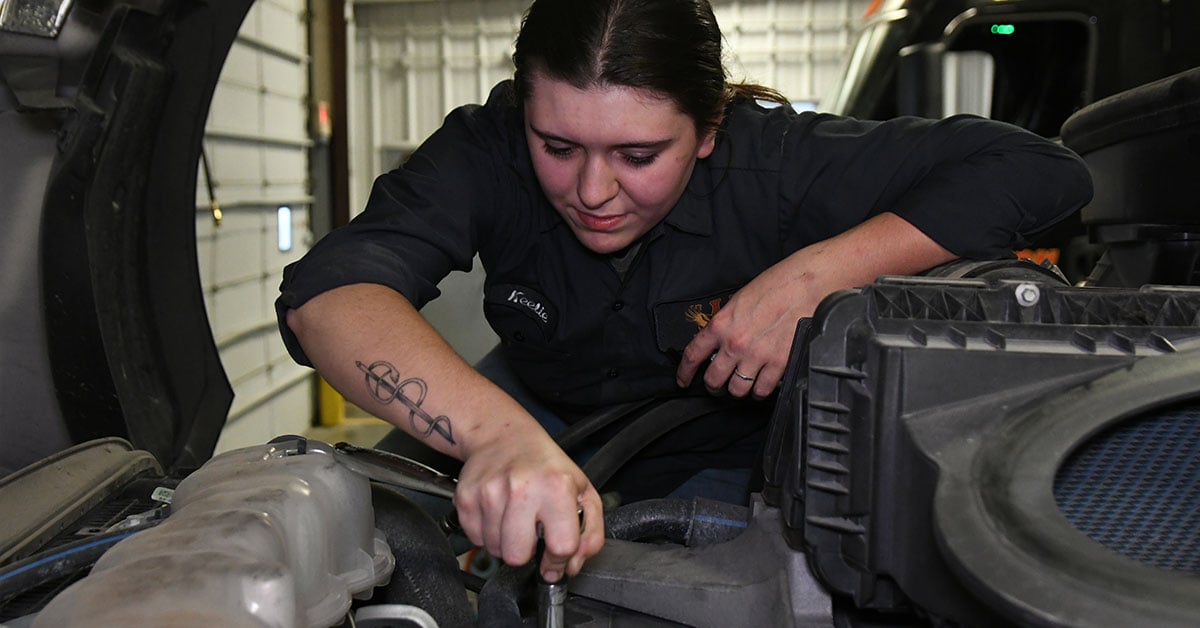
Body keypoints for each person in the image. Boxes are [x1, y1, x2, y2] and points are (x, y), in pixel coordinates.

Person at [276, 0, 1092, 585]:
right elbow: (330, 294)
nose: (593, 189)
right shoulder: (484, 151)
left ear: (707, 131)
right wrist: (498, 438)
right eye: (557, 145)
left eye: (638, 156)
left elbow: (1042, 171)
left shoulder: (776, 163)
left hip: (719, 454)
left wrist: (817, 277)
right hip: (534, 408)